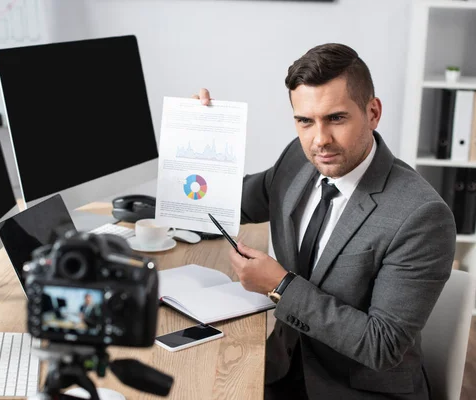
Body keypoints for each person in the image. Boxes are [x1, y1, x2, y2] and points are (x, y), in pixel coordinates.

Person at [194, 43, 455, 399]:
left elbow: (382, 345)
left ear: (373, 112)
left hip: (356, 391)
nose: (320, 140)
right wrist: (198, 135)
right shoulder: (297, 160)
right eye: (305, 121)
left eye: (336, 118)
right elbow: (228, 205)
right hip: (282, 371)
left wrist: (280, 286)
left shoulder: (421, 216)